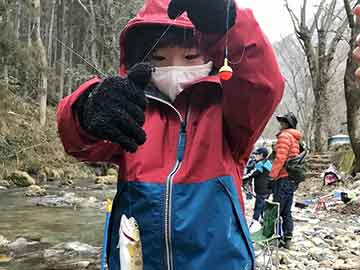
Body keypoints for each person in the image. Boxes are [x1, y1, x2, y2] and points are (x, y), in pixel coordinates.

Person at [56, 0, 284, 269]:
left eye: (189, 57)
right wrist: (86, 109)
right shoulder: (132, 112)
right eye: (160, 59)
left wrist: (227, 27)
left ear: (211, 58)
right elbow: (78, 143)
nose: (175, 68)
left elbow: (263, 86)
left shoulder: (230, 115)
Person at [269, 112, 302, 249]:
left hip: (282, 177)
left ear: (286, 123)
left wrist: (271, 176)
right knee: (286, 211)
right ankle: (287, 239)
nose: (280, 124)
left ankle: (274, 239)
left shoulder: (284, 136)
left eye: (282, 121)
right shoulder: (295, 138)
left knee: (276, 210)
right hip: (291, 179)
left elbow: (280, 158)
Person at [243, 147, 273, 233]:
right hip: (268, 189)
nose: (255, 156)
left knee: (258, 207)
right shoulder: (267, 163)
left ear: (261, 155)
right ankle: (263, 222)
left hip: (262, 190)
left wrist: (240, 179)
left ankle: (254, 223)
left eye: (256, 154)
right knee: (263, 206)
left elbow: (252, 174)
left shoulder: (260, 164)